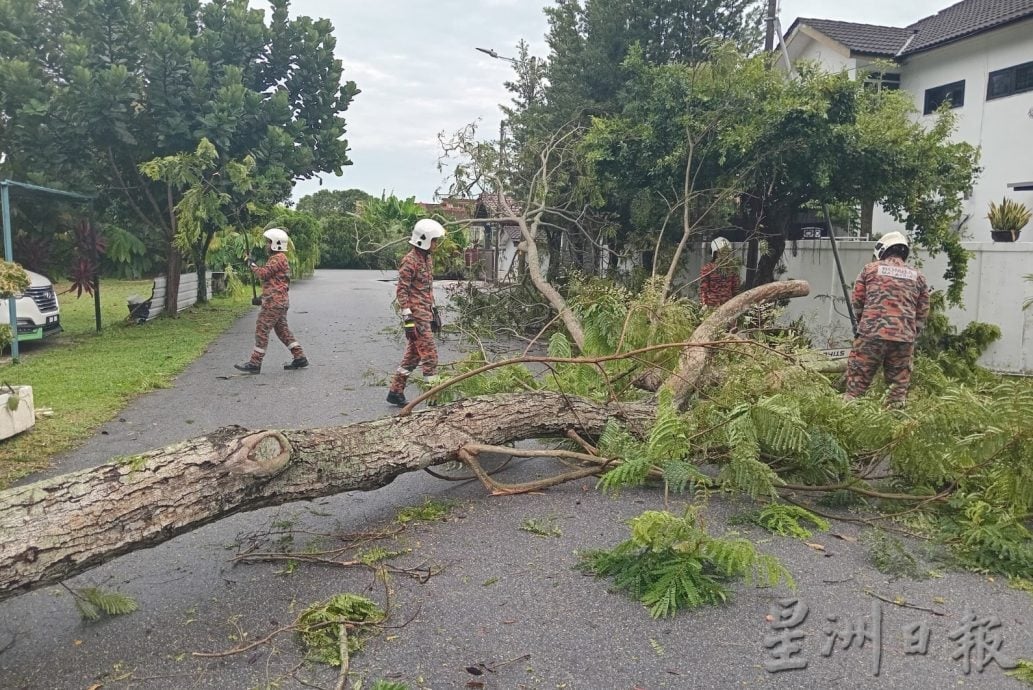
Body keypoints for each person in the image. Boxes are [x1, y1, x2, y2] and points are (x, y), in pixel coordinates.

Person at [844, 231, 929, 407]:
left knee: (856, 386)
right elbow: (922, 312)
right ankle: (894, 427)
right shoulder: (918, 276)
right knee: (896, 390)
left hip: (870, 335)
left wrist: (864, 324)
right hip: (903, 339)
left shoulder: (870, 269)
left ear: (882, 250)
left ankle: (847, 422)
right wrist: (910, 333)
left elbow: (858, 301)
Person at [387, 219, 446, 406]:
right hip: (416, 316)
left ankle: (395, 392)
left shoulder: (427, 259)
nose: (436, 244)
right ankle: (434, 399)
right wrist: (408, 319)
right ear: (424, 240)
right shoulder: (410, 261)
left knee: (413, 356)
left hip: (425, 314)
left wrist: (434, 312)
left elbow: (426, 289)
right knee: (430, 357)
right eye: (435, 240)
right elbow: (401, 291)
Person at [234, 227, 308, 374]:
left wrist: (252, 265)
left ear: (276, 243)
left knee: (262, 329)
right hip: (278, 301)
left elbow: (264, 274)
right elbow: (276, 283)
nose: (266, 245)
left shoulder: (278, 258)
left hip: (274, 303)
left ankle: (255, 363)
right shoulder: (279, 258)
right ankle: (299, 357)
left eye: (268, 242)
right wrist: (262, 298)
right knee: (282, 331)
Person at [699, 237, 740, 307]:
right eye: (722, 252)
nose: (725, 255)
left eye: (727, 252)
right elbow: (703, 289)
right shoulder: (707, 269)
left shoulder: (731, 269)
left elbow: (735, 289)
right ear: (715, 253)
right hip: (711, 305)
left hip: (728, 305)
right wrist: (703, 304)